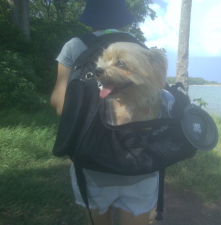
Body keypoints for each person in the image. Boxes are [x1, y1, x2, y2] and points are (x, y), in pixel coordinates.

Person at [50, 1, 159, 224]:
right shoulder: (142, 51)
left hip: (92, 165)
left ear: (89, 18)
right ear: (123, 18)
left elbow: (60, 105)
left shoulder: (74, 46)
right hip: (140, 164)